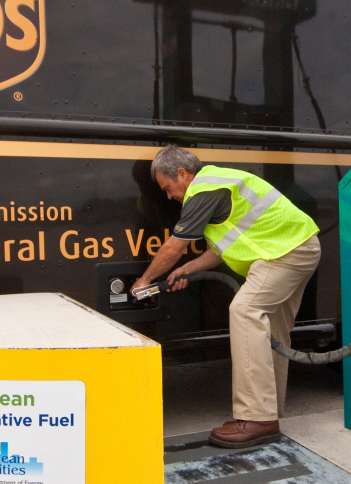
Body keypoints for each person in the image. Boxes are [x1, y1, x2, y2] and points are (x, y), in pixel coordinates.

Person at [131, 145, 321, 448]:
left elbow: (173, 247)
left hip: (283, 254)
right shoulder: (217, 183)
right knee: (272, 329)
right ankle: (267, 414)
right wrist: (188, 270)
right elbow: (221, 248)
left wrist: (144, 280)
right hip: (294, 248)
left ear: (182, 173)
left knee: (245, 311)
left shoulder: (203, 190)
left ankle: (257, 418)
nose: (169, 196)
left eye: (168, 188)